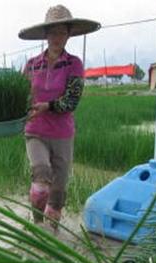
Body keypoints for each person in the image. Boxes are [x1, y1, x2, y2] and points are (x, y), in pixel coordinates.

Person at [18, 5, 100, 226]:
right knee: (41, 179)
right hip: (35, 131)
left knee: (57, 192)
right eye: (53, 32)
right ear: (46, 35)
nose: (57, 37)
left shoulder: (74, 64)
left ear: (69, 35)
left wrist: (47, 105)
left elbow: (72, 101)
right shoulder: (32, 65)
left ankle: (52, 234)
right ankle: (37, 226)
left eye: (62, 32)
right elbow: (19, 95)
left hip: (62, 134)